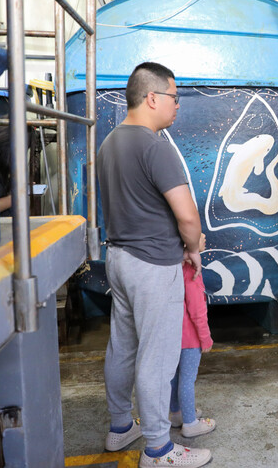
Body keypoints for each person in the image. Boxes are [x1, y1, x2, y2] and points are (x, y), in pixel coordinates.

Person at [97, 62, 211, 468]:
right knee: (157, 357)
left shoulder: (109, 142)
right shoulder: (154, 145)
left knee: (122, 348)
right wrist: (193, 247)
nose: (178, 105)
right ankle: (159, 449)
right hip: (153, 266)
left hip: (119, 260)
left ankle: (120, 427)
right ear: (152, 97)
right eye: (174, 97)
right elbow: (187, 216)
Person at [169, 234, 216, 438]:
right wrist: (205, 338)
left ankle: (176, 414)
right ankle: (190, 423)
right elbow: (197, 310)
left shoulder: (171, 270)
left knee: (174, 377)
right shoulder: (192, 272)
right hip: (189, 340)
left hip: (171, 336)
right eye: (199, 236)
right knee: (187, 380)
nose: (204, 238)